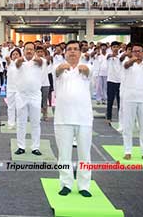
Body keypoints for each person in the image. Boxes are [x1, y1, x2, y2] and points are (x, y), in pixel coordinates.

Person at [54, 40, 93, 197]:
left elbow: (88, 72)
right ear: (65, 52)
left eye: (75, 49)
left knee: (85, 153)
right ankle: (66, 184)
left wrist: (82, 68)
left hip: (83, 118)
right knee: (64, 154)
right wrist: (60, 68)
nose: (72, 52)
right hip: (63, 118)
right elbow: (55, 73)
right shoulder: (59, 68)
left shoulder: (88, 67)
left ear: (80, 52)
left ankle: (84, 185)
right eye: (69, 49)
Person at [15, 42, 44, 156]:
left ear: (34, 51)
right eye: (27, 49)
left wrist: (38, 58)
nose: (29, 51)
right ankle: (21, 146)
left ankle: (35, 147)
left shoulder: (39, 61)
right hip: (21, 96)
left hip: (35, 96)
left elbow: (42, 62)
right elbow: (16, 64)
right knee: (21, 123)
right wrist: (19, 61)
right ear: (23, 50)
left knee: (35, 122)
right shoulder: (19, 61)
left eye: (31, 49)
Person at [106, 41, 122, 123]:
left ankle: (121, 118)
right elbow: (108, 56)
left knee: (120, 101)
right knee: (110, 100)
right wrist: (112, 55)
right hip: (111, 80)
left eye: (117, 47)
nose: (115, 48)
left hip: (120, 81)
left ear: (119, 48)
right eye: (114, 47)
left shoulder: (121, 56)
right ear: (111, 48)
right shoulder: (108, 55)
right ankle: (108, 117)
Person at [5, 48, 21, 129]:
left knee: (19, 108)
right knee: (11, 107)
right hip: (10, 88)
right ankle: (11, 123)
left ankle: (19, 123)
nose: (15, 56)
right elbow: (7, 59)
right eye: (13, 54)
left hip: (19, 89)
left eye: (17, 54)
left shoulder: (22, 64)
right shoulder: (10, 63)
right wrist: (8, 59)